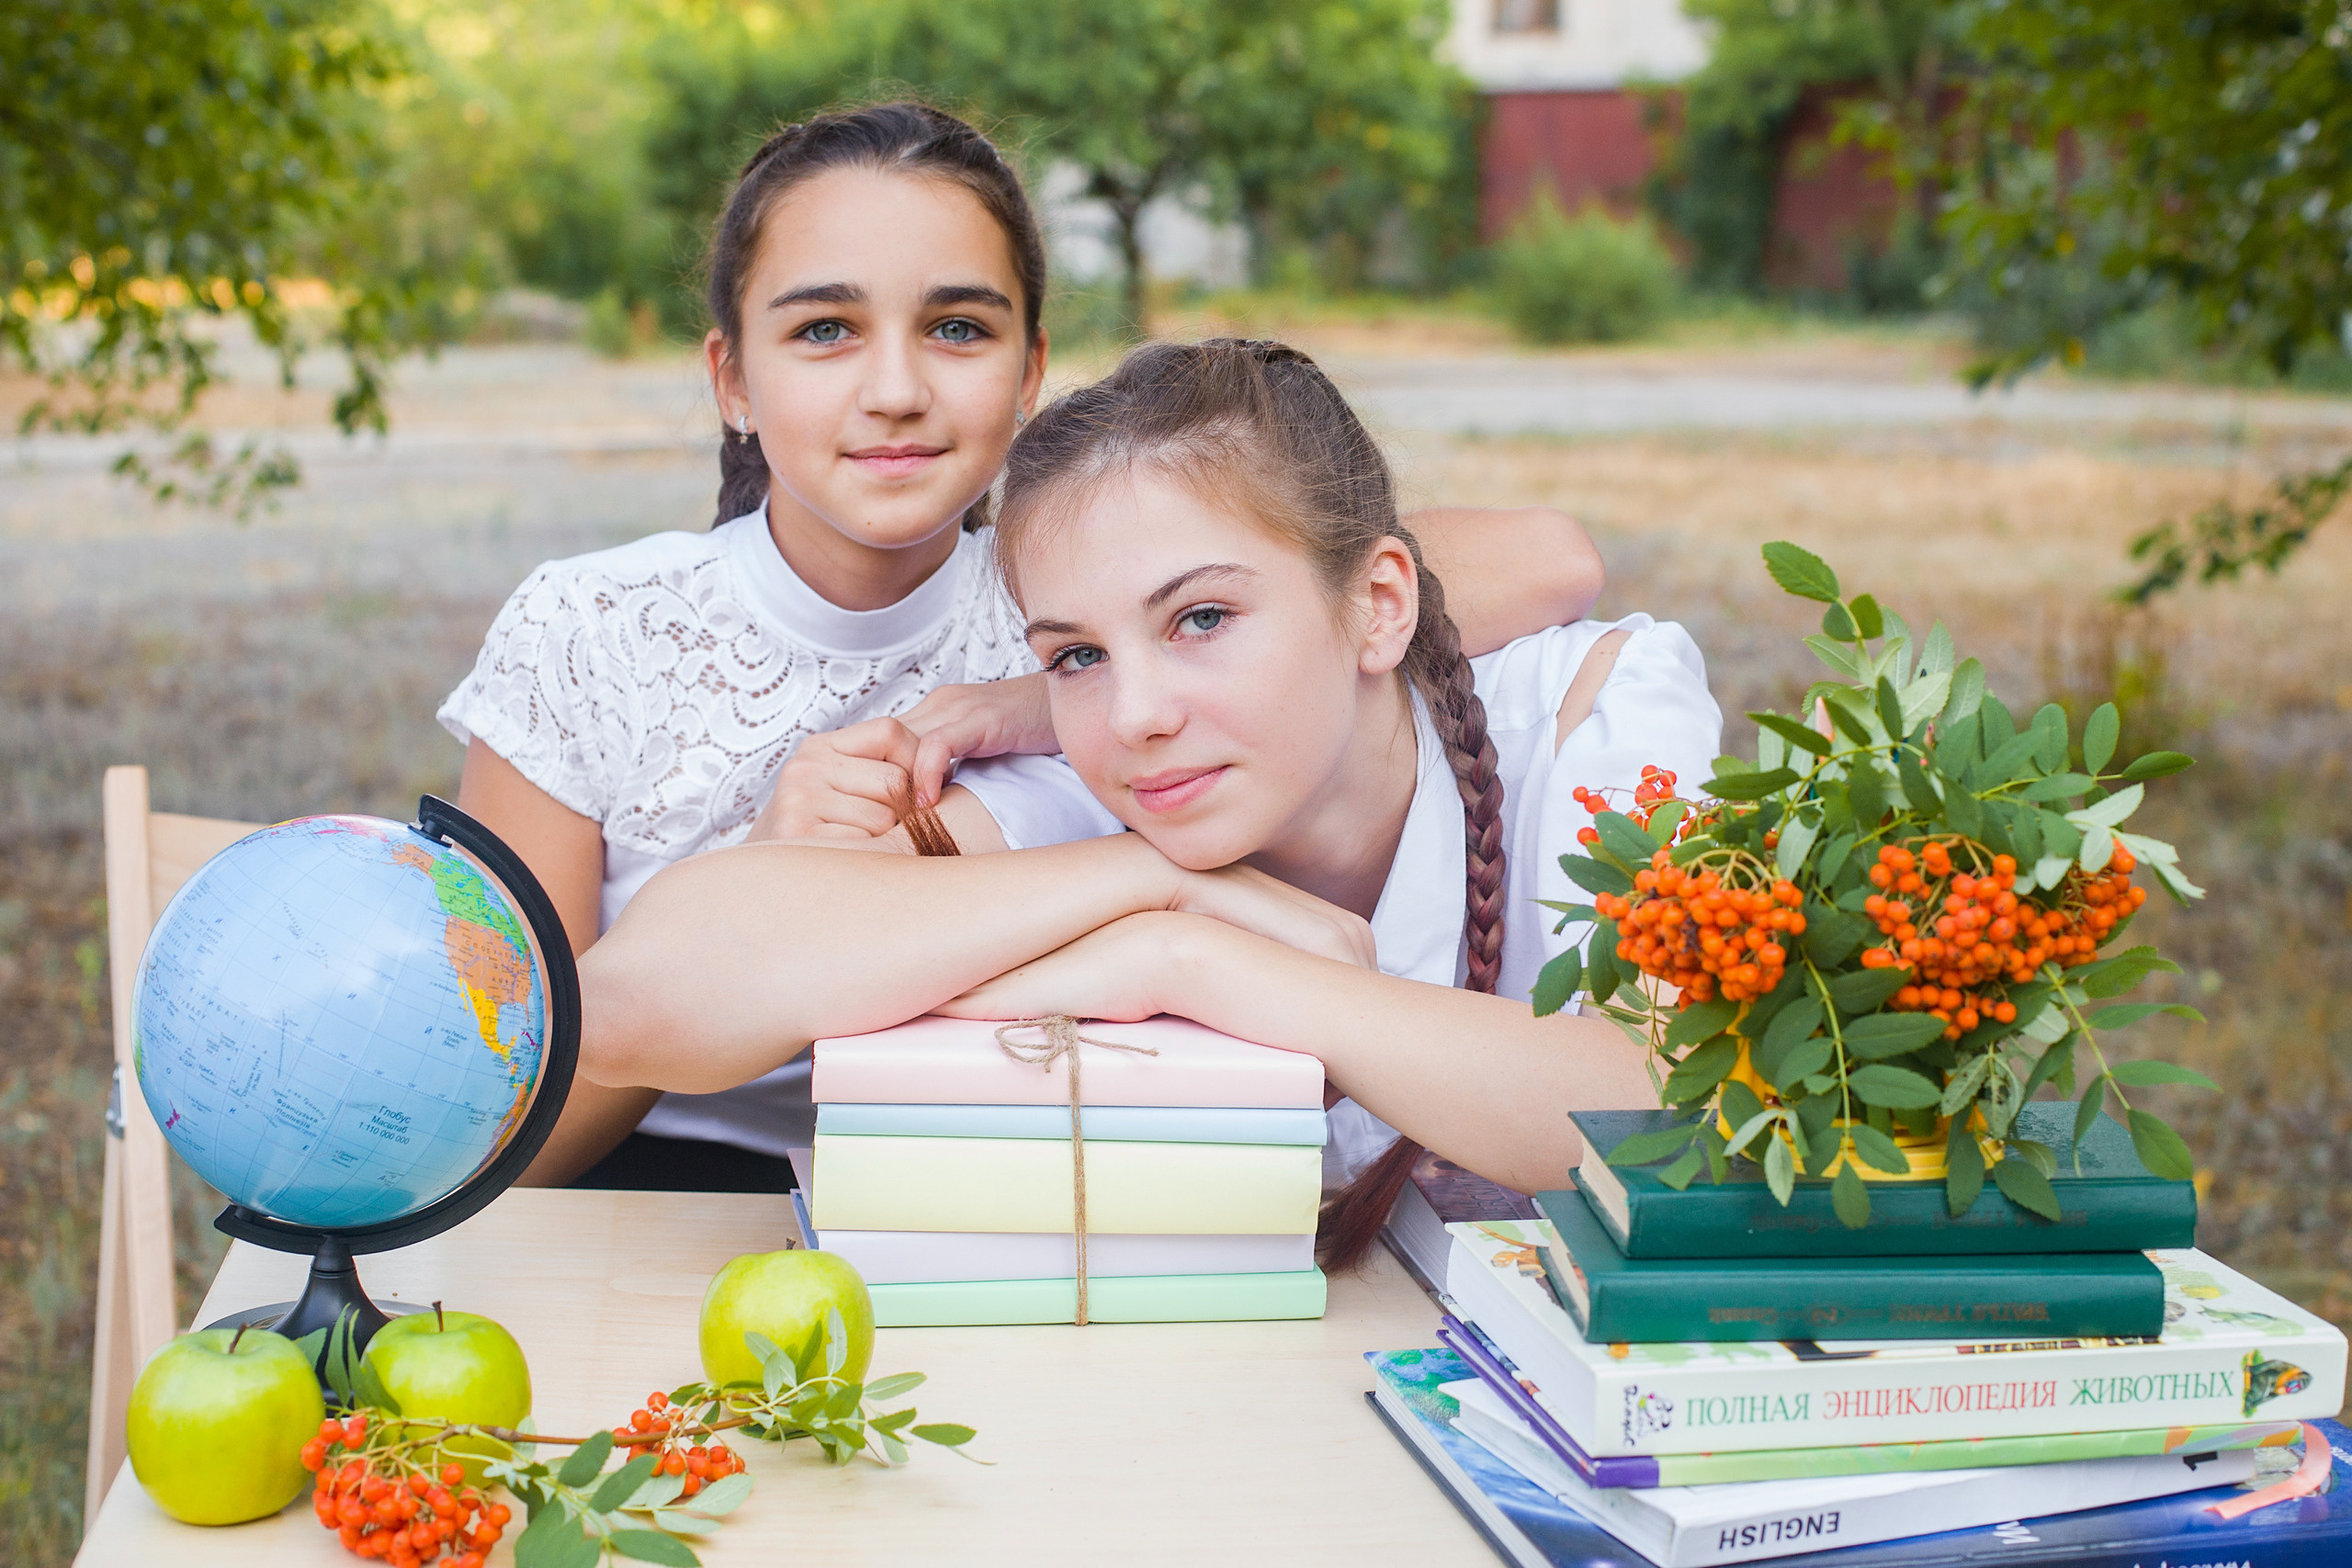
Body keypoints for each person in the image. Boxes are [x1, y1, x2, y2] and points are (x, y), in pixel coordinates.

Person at [438, 103, 1611, 1193]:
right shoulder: (592, 625)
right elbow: (506, 1108)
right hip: (640, 1174)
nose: (894, 390)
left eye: (956, 328)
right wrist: (777, 868)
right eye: (824, 330)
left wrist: (1028, 699)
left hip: (972, 1173)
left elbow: (1531, 561)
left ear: (1030, 372)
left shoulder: (1080, 621)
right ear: (731, 379)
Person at [572, 338, 1722, 1267]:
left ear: (1379, 605)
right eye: (1074, 656)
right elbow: (629, 1007)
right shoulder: (1100, 797)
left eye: (1201, 619)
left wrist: (1196, 964)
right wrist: (1151, 883)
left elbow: (1674, 1117)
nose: (1134, 716)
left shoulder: (1587, 720)